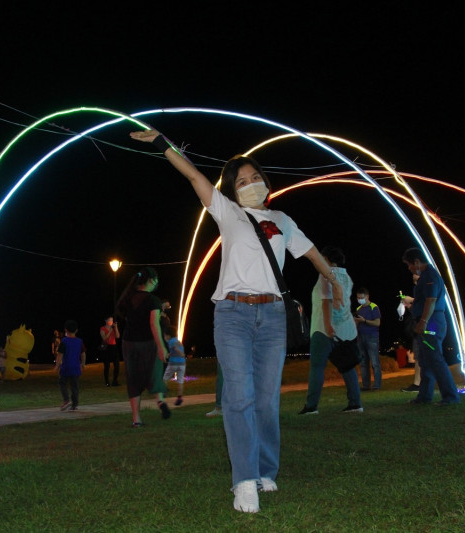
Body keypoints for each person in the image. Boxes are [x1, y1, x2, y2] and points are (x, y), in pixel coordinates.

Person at [130, 128, 343, 514]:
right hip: (233, 314)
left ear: (265, 180)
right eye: (241, 181)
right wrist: (164, 143)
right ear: (231, 189)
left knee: (265, 399)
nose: (250, 184)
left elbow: (311, 253)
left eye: (254, 178)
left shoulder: (282, 219)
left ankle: (265, 470)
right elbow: (193, 175)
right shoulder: (227, 211)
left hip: (274, 315)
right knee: (239, 396)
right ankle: (244, 480)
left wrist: (334, 281)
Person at [299, 246, 363, 415]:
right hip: (346, 329)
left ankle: (311, 406)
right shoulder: (346, 277)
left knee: (317, 367)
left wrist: (328, 326)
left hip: (324, 329)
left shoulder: (325, 275)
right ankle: (355, 403)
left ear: (327, 259)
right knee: (347, 366)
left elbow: (327, 301)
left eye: (321, 257)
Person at [402, 247, 460, 405]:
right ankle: (424, 397)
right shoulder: (426, 276)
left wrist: (423, 321)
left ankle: (450, 397)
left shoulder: (430, 276)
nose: (409, 268)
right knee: (425, 361)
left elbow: (431, 300)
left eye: (409, 265)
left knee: (435, 360)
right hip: (429, 320)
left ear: (417, 262)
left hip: (432, 322)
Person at [115, 266, 170, 427]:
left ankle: (136, 419)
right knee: (155, 370)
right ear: (151, 280)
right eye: (156, 279)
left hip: (129, 342)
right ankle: (160, 401)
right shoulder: (153, 300)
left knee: (133, 378)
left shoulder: (128, 298)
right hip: (148, 342)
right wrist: (161, 346)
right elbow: (154, 324)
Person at [54, 320, 86, 411]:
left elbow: (60, 354)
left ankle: (66, 400)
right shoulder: (79, 341)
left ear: (65, 330)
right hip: (76, 367)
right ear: (76, 330)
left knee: (62, 383)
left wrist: (57, 365)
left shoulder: (64, 341)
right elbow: (83, 353)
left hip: (66, 367)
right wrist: (83, 364)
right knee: (75, 386)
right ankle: (74, 405)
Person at [354, 287, 381, 391]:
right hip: (360, 337)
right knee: (363, 363)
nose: (360, 299)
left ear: (367, 296)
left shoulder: (374, 307)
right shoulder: (358, 309)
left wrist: (364, 321)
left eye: (361, 297)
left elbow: (377, 323)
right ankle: (366, 386)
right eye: (358, 297)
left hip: (372, 337)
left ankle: (376, 385)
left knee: (374, 362)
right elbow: (356, 324)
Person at [162, 326, 187, 405]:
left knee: (165, 378)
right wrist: (170, 354)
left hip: (173, 363)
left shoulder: (171, 341)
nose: (164, 337)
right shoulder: (178, 341)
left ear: (168, 335)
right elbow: (175, 350)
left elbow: (175, 349)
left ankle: (163, 393)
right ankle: (179, 397)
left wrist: (181, 354)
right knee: (180, 381)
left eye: (165, 335)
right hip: (182, 364)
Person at [99, 316, 121, 387]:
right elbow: (104, 338)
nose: (111, 321)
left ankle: (115, 381)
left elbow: (117, 336)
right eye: (109, 320)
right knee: (107, 366)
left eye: (112, 320)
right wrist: (110, 330)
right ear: (106, 321)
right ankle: (107, 382)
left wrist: (116, 327)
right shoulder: (102, 328)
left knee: (117, 365)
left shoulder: (113, 328)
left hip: (113, 347)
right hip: (106, 348)